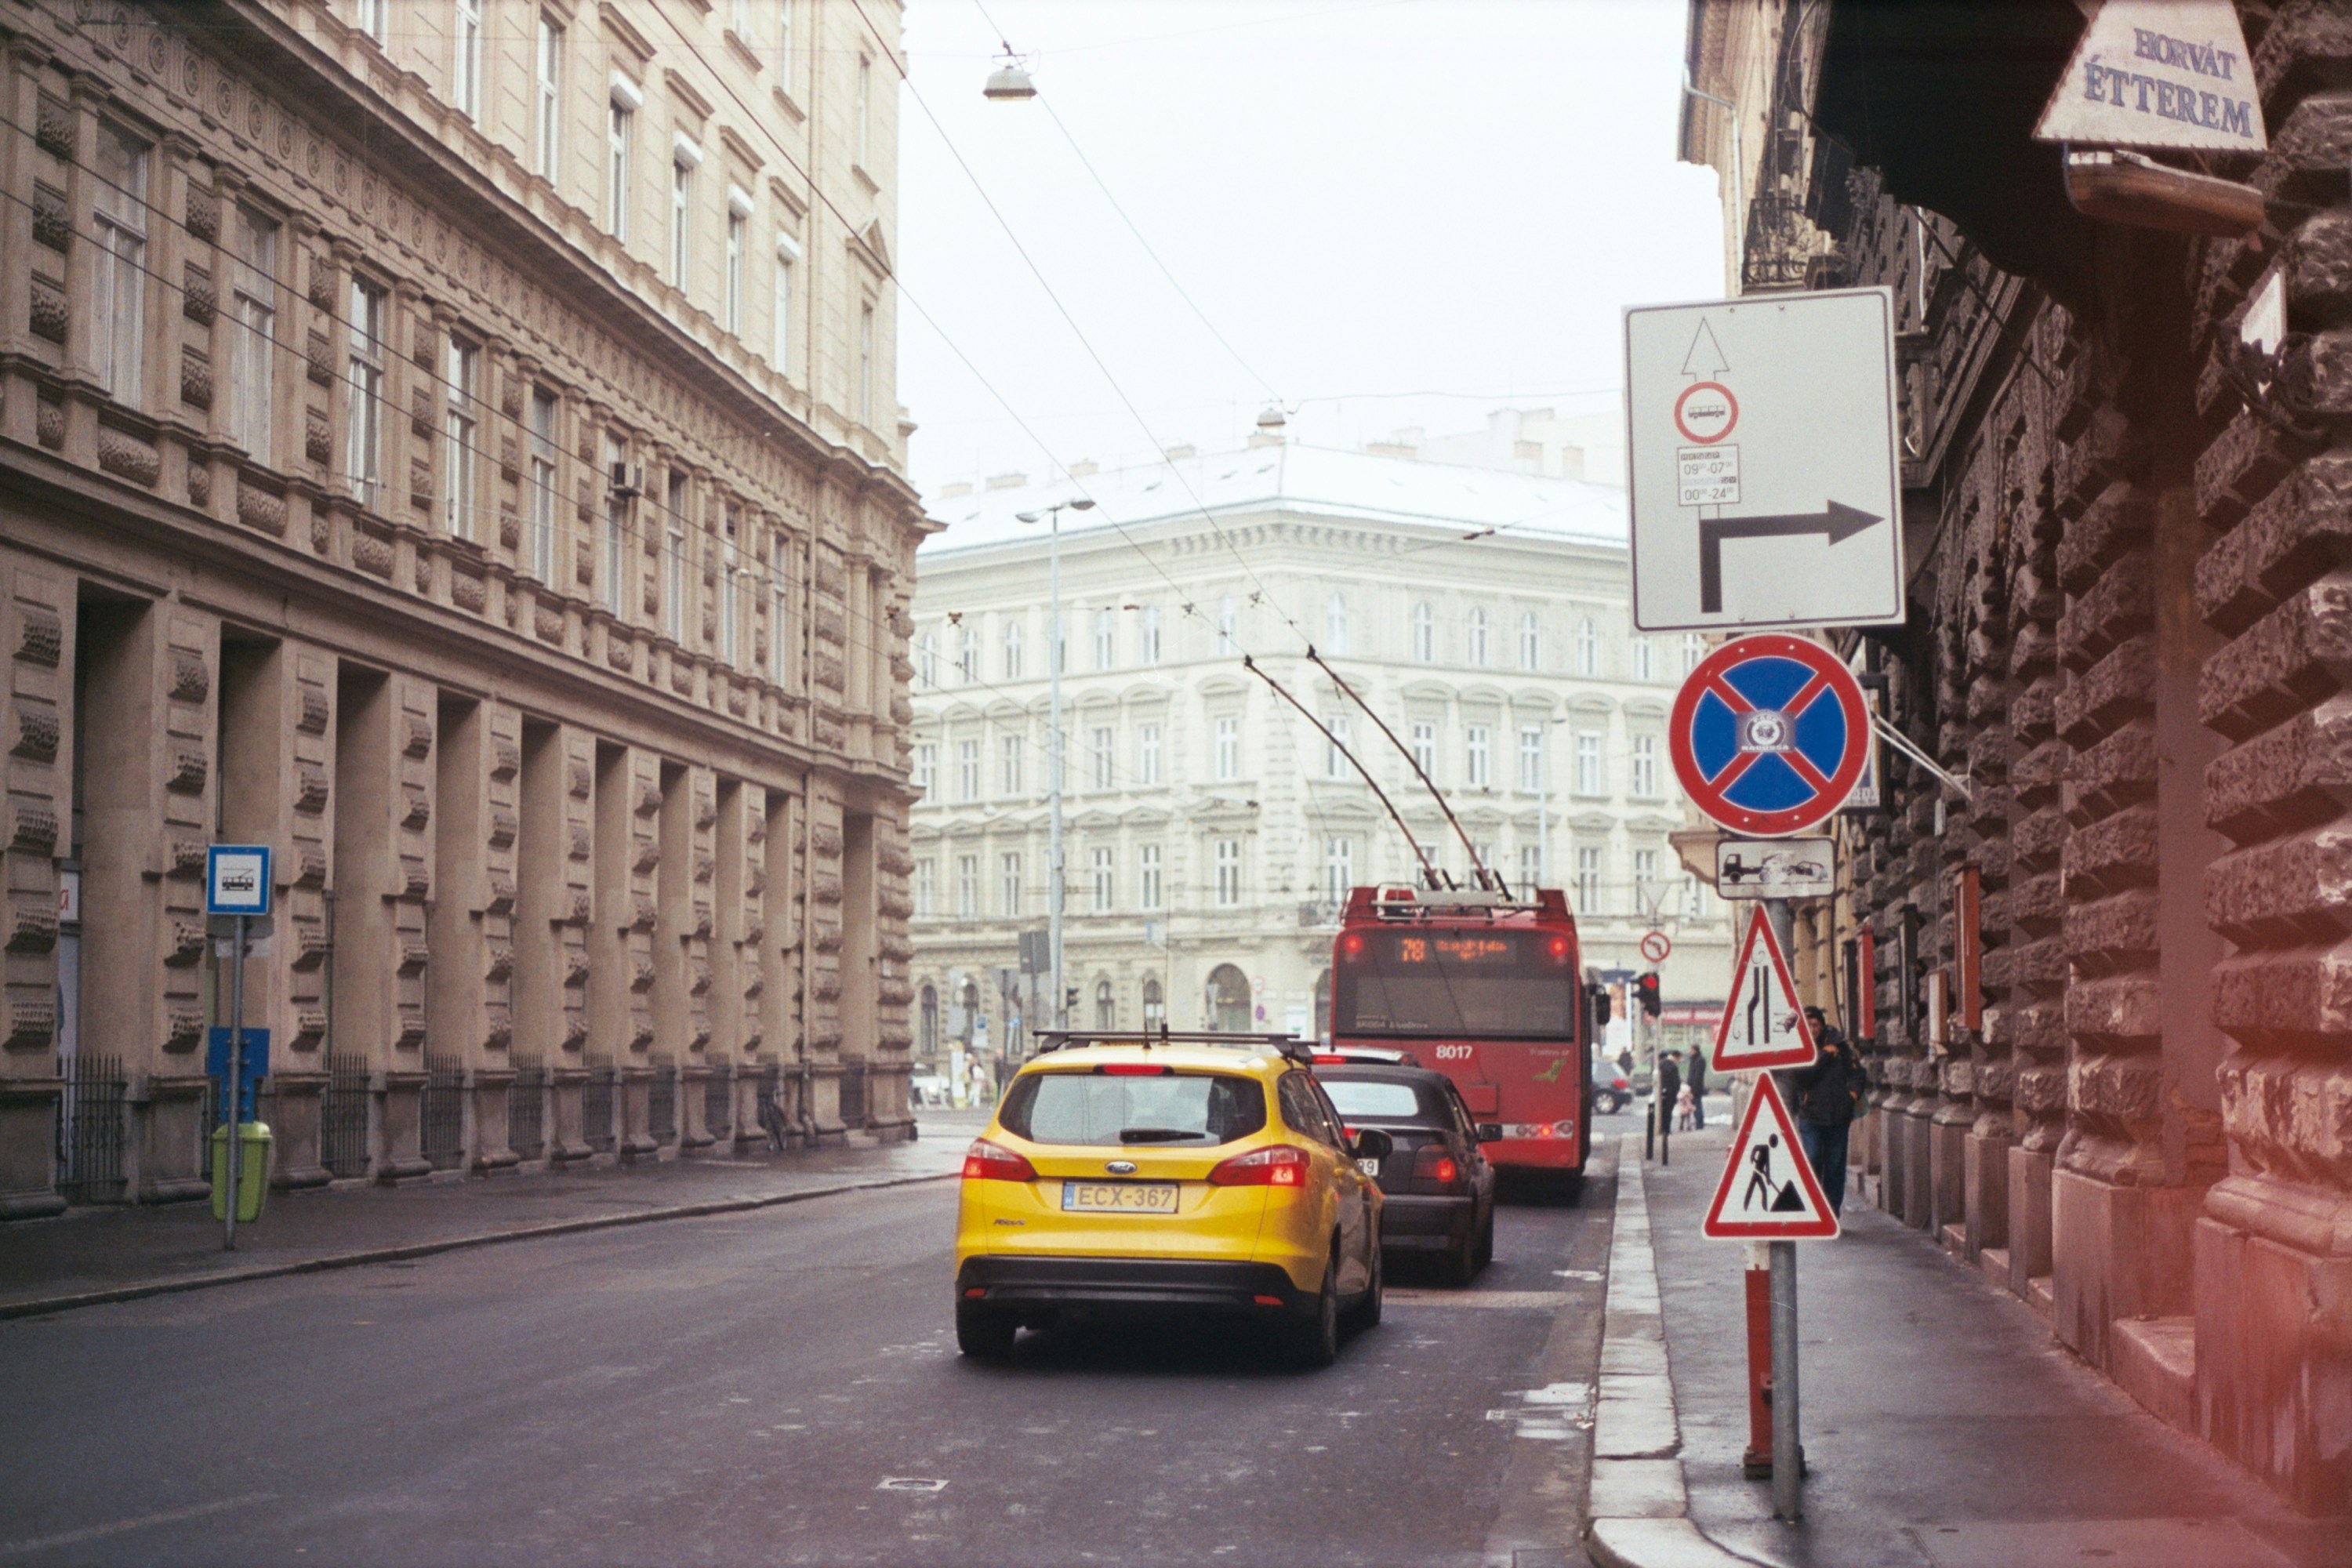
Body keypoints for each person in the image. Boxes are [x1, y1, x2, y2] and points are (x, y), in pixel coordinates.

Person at [1789, 1006, 1863, 1214]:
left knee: (1835, 1166)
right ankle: (1814, 1204)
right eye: (1808, 1025)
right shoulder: (1799, 1048)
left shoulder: (1840, 1046)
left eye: (1815, 1025)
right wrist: (1824, 1056)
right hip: (1811, 1116)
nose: (1812, 1029)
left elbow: (1857, 1072)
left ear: (1821, 1026)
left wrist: (1853, 1096)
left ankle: (1831, 1211)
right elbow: (1803, 1076)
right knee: (1812, 1158)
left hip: (1838, 1116)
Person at [1655, 1049, 1682, 1134]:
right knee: (1669, 1111)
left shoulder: (1660, 1064)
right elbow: (1676, 1081)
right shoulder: (1673, 1065)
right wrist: (1677, 1091)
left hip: (1661, 1091)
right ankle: (1667, 1129)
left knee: (1662, 1111)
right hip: (1671, 1092)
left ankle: (1661, 1128)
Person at [1685, 1044, 1708, 1129]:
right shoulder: (1694, 1060)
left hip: (1696, 1088)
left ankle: (1700, 1125)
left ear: (1695, 1050)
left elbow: (1697, 1077)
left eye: (1691, 1050)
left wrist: (1693, 1090)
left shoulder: (1700, 1060)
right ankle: (1699, 1124)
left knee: (1697, 1106)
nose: (1689, 1052)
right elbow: (1691, 1075)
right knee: (1695, 1106)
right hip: (1691, 1088)